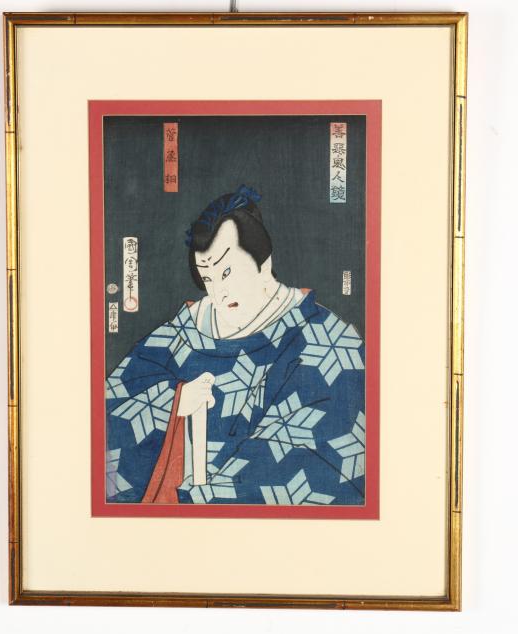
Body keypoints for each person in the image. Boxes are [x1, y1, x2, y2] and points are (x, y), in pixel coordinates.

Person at [105, 185, 365, 505]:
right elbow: (108, 412)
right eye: (208, 279)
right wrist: (174, 403)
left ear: (263, 261)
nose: (219, 293)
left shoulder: (328, 343)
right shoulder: (182, 333)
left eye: (226, 272)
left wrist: (202, 498)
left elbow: (319, 461)